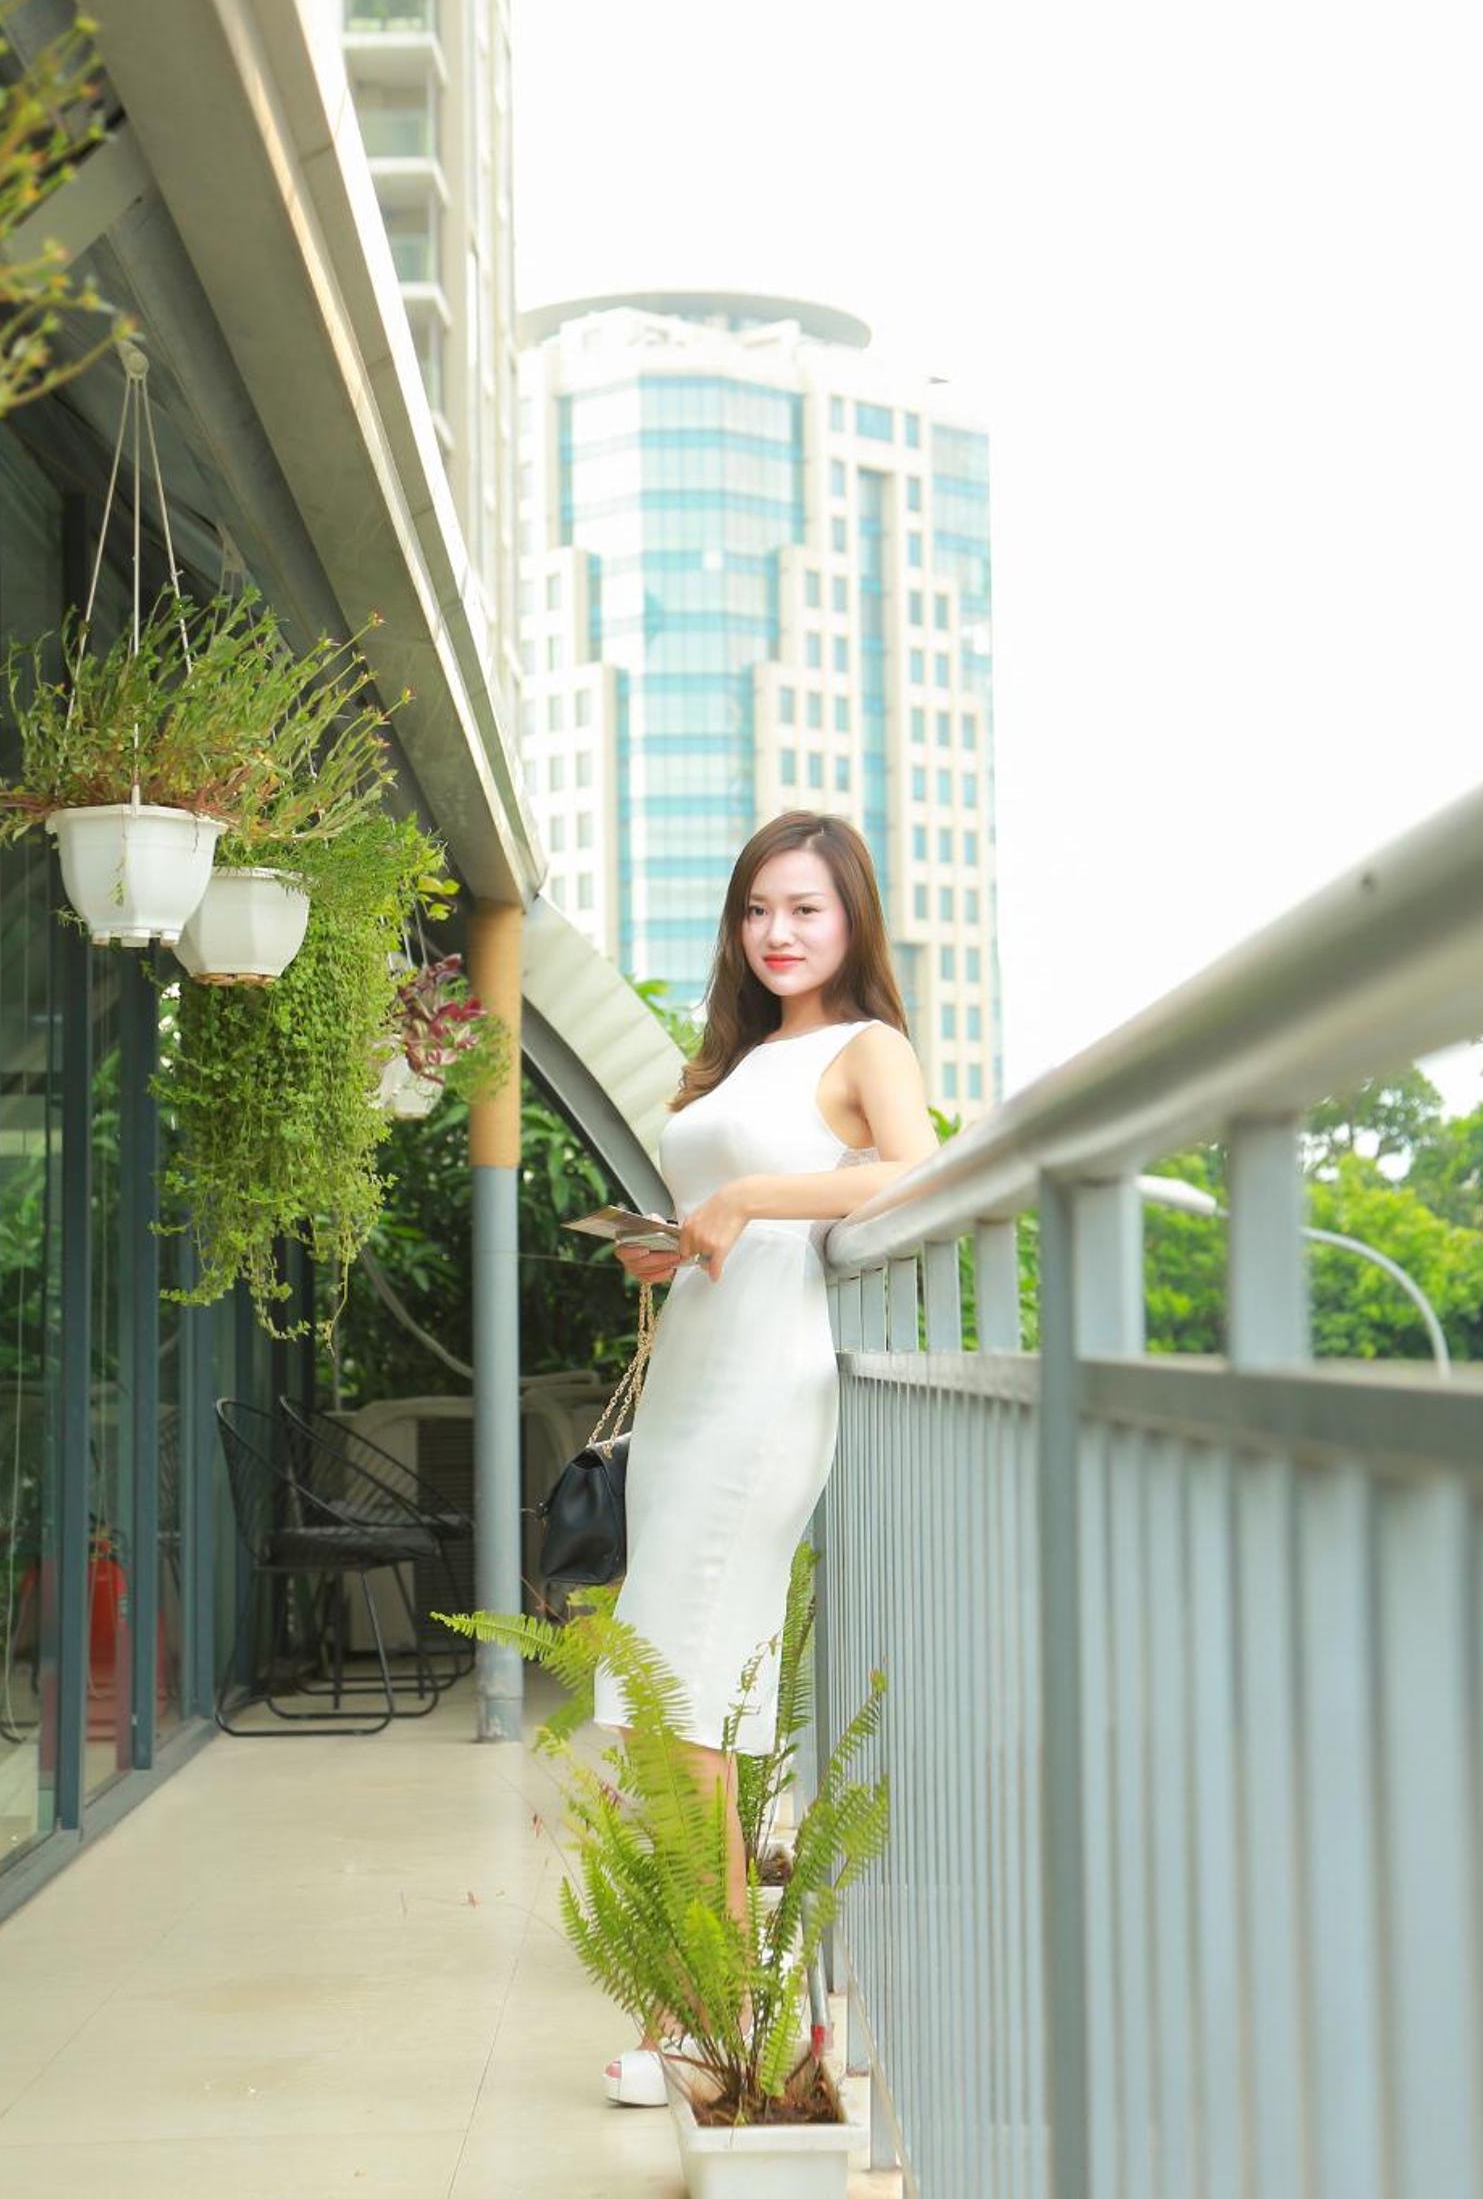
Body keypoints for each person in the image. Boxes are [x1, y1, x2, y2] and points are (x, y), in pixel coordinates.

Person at [595, 809, 938, 2105]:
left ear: (852, 919)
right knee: (671, 1698)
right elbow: (728, 1215)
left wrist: (746, 1200)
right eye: (756, 910)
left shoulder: (869, 1047)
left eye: (804, 908)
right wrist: (678, 1240)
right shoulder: (739, 1062)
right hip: (691, 1388)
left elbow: (913, 1171)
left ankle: (712, 2020)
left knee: (681, 1698)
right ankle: (724, 2013)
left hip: (760, 1399)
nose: (776, 933)